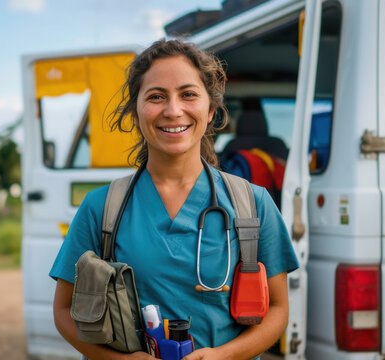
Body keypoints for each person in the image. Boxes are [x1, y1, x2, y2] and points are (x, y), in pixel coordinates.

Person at [49, 39, 299, 360]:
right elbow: (64, 310)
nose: (173, 110)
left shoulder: (254, 204)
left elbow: (277, 309)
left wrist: (223, 356)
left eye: (188, 94)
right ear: (136, 113)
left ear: (210, 111)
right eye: (156, 97)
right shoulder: (100, 208)